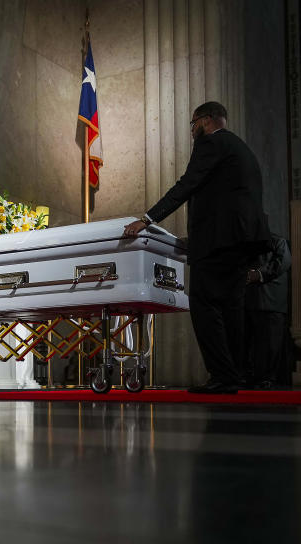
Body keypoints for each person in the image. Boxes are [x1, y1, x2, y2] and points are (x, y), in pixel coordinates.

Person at [123, 101, 270, 394]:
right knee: (232, 308)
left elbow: (187, 184)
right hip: (241, 242)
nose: (192, 132)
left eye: (192, 125)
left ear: (204, 121)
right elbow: (226, 199)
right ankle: (234, 375)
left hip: (219, 244)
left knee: (203, 305)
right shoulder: (241, 149)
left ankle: (222, 376)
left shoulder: (211, 144)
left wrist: (147, 219)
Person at [244, 234, 291, 389]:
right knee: (250, 343)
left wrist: (259, 274)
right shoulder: (247, 242)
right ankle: (250, 376)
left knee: (271, 344)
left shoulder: (278, 241)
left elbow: (284, 261)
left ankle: (268, 378)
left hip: (272, 302)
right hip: (250, 301)